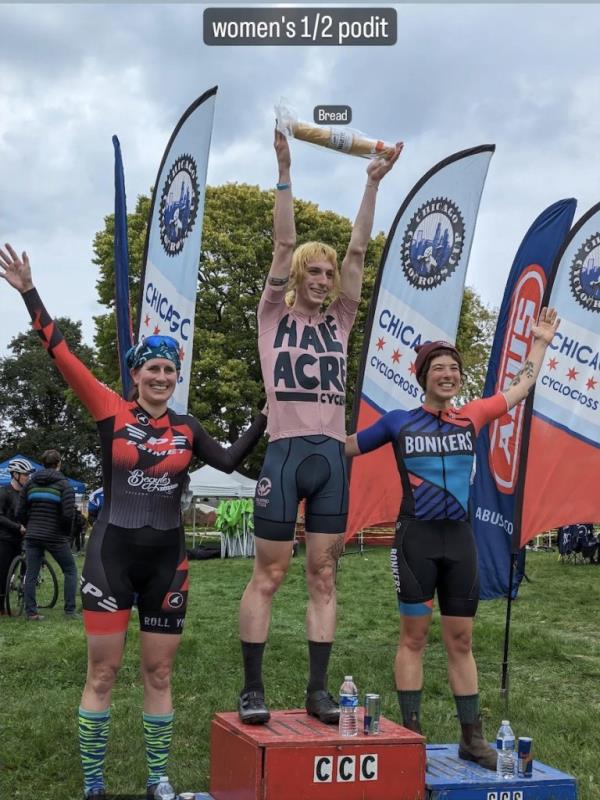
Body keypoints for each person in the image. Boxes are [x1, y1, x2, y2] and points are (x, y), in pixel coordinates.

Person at [0, 243, 267, 800]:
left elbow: (230, 462)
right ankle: (94, 784)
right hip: (111, 557)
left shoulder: (188, 428)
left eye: (170, 369)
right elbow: (63, 355)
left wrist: (264, 415)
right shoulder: (109, 411)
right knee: (102, 675)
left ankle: (158, 780)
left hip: (167, 565)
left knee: (160, 676)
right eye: (153, 368)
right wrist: (29, 292)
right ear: (136, 374)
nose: (163, 377)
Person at [346, 308, 560, 769]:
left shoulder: (473, 416)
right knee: (414, 639)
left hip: (460, 542)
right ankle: (411, 739)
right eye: (438, 368)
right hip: (415, 542)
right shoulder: (398, 422)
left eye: (454, 369)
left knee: (461, 641)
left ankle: (472, 738)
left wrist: (538, 343)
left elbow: (521, 388)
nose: (448, 374)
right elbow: (346, 446)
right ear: (423, 376)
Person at [237, 131, 402, 725]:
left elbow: (359, 253)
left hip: (331, 460)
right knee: (270, 572)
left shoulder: (341, 319)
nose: (325, 277)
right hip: (283, 456)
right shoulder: (272, 314)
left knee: (324, 573)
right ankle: (252, 689)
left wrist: (372, 183)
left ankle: (317, 690)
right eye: (315, 269)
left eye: (329, 271)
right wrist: (284, 166)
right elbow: (283, 243)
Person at [18, 449, 79, 621]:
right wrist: (66, 534)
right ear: (59, 463)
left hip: (33, 534)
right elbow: (68, 515)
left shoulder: (30, 484)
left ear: (43, 463)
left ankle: (31, 612)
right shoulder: (64, 485)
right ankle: (69, 611)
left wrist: (29, 524)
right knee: (70, 570)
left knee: (31, 573)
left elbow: (20, 510)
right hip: (55, 535)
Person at [0, 457, 35, 614]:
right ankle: (0, 607)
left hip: (21, 539)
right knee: (3, 572)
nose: (28, 477)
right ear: (15, 475)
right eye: (25, 475)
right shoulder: (4, 492)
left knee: (19, 571)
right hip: (5, 539)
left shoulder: (25, 494)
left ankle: (23, 598)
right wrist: (17, 527)